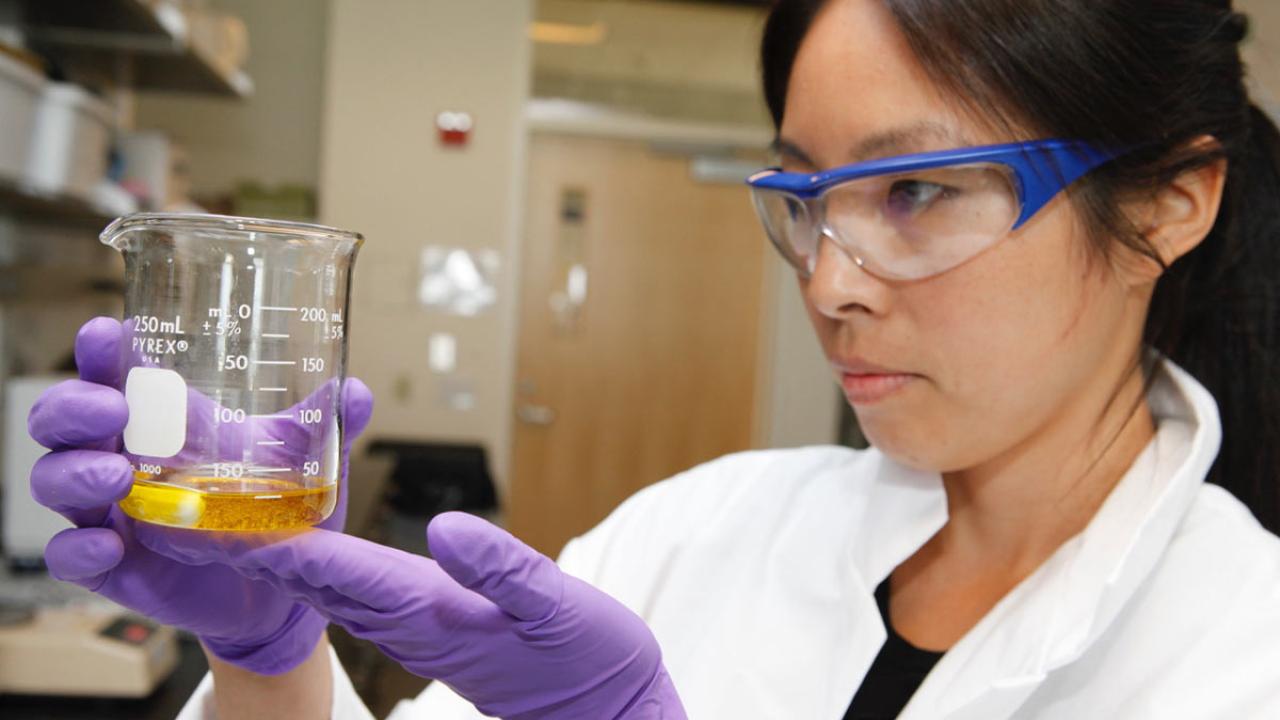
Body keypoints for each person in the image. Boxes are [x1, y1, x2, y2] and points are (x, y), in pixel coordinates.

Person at [26, 0, 1280, 717]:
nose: (828, 281)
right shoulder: (699, 531)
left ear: (1168, 203)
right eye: (803, 198)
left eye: (916, 191)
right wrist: (273, 659)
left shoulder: (1244, 650)